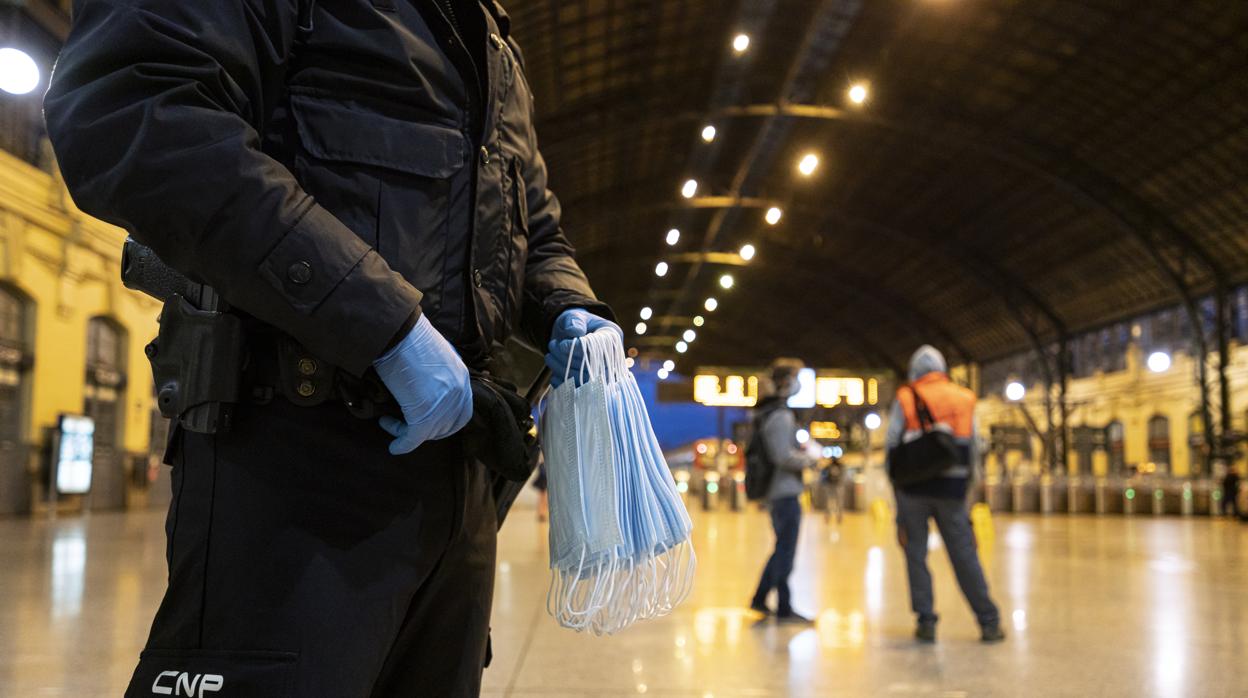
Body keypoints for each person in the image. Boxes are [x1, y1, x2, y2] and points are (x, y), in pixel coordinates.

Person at [43, 1, 616, 695]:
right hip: (291, 461)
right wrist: (387, 330)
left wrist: (570, 305)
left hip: (457, 479)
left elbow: (534, 218)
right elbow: (131, 106)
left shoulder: (490, 37)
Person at [886, 346, 1004, 644]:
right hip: (952, 491)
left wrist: (896, 498)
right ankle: (988, 620)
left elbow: (891, 448)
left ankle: (926, 621)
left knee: (916, 554)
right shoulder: (964, 398)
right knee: (964, 555)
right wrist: (970, 494)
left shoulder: (905, 397)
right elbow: (974, 451)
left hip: (912, 491)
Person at [749, 359, 819, 623]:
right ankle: (784, 609)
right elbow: (781, 456)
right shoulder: (780, 415)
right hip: (784, 492)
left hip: (780, 491)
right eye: (797, 376)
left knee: (782, 548)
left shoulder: (772, 412)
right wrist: (810, 460)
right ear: (786, 382)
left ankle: (761, 599)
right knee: (785, 551)